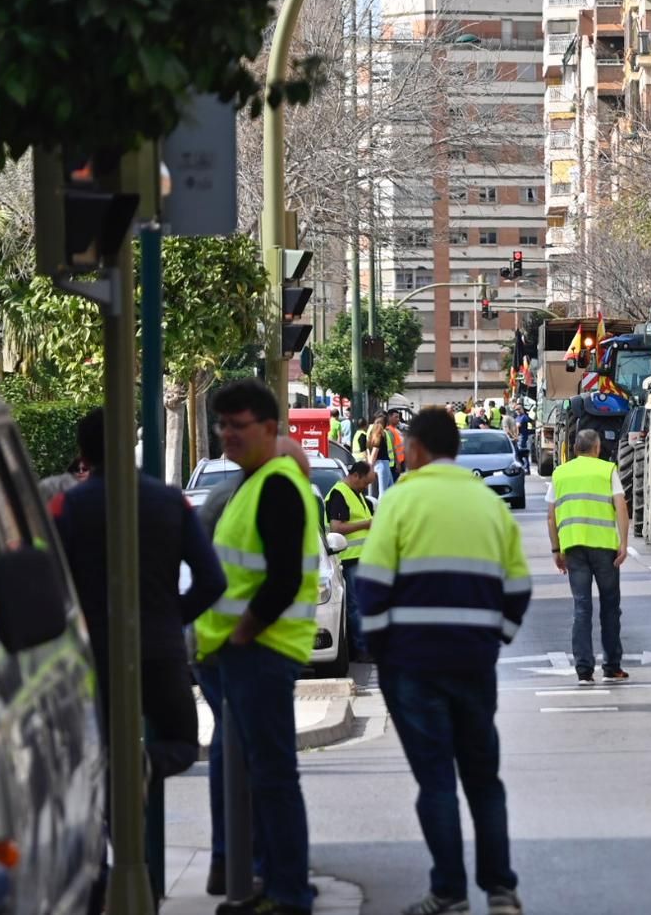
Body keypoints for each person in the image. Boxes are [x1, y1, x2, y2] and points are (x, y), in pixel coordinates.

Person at [49, 408, 225, 914]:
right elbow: (212, 580)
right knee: (183, 745)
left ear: (83, 455)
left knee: (93, 765)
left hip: (92, 658)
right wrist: (173, 617)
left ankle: (104, 872)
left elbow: (49, 582)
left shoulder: (66, 507)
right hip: (160, 649)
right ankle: (144, 766)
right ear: (130, 444)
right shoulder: (171, 502)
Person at [357, 409, 531, 915]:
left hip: (412, 664)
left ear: (412, 450)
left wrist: (380, 648)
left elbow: (371, 587)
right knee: (483, 780)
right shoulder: (488, 504)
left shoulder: (400, 500)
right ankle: (501, 890)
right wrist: (494, 636)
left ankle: (449, 893)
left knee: (435, 782)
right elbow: (517, 586)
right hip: (474, 662)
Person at [193, 379, 320, 915]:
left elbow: (283, 578)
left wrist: (242, 634)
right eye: (221, 425)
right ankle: (272, 881)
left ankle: (289, 892)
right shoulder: (254, 483)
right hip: (246, 654)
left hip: (261, 653)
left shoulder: (275, 486)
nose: (227, 435)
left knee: (271, 775)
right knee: (261, 774)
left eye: (237, 426)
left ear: (270, 429)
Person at [548, 429, 630, 685]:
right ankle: (612, 666)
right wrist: (624, 543)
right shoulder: (607, 470)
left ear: (574, 449)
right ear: (596, 448)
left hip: (573, 547)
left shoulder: (560, 473)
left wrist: (555, 549)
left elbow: (551, 515)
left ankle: (584, 670)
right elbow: (621, 506)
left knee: (581, 607)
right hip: (604, 548)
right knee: (609, 607)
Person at [325, 461, 375, 661]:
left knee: (362, 604)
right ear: (356, 476)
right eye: (365, 483)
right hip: (348, 558)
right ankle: (360, 649)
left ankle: (364, 646)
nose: (366, 487)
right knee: (354, 606)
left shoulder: (356, 494)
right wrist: (367, 523)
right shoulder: (339, 494)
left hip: (361, 557)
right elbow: (336, 527)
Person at [368, 414, 392, 496]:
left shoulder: (372, 435)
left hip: (376, 465)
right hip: (383, 464)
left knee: (381, 491)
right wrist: (370, 466)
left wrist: (371, 465)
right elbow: (375, 452)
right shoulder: (380, 436)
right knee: (384, 492)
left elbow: (370, 452)